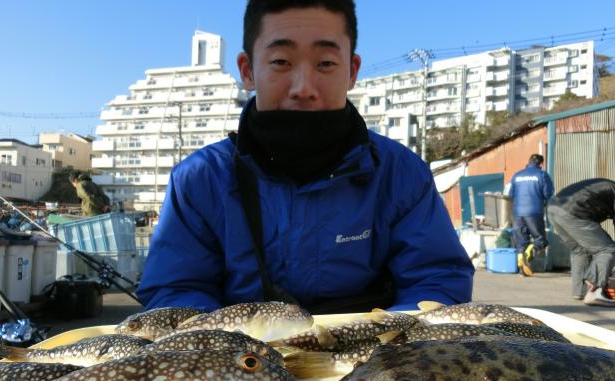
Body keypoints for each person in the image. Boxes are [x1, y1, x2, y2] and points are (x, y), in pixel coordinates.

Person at [136, 0, 474, 313]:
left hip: (373, 367)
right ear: (248, 70)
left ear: (352, 71)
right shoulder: (198, 180)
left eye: (326, 63)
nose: (303, 87)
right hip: (240, 367)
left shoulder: (402, 173)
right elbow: (175, 293)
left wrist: (384, 349)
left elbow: (436, 282)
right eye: (281, 62)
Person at [547, 178, 615, 307]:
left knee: (580, 250)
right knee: (607, 249)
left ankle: (580, 291)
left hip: (553, 209)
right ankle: (595, 292)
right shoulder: (612, 189)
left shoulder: (607, 187)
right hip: (573, 212)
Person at [506, 153, 554, 276]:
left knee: (521, 242)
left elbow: (510, 194)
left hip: (517, 213)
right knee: (540, 240)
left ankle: (523, 265)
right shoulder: (542, 175)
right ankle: (528, 255)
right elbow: (548, 193)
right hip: (534, 212)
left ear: (528, 162)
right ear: (541, 164)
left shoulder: (517, 175)